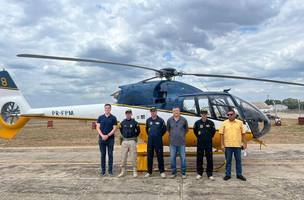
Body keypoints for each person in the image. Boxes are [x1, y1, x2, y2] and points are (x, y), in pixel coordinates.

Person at [219, 108, 247, 181]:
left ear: (234, 115)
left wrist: (245, 144)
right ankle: (228, 175)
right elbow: (221, 134)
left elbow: (243, 134)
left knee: (238, 161)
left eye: (231, 114)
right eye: (228, 115)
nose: (229, 116)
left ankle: (239, 174)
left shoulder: (240, 123)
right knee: (228, 161)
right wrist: (222, 145)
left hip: (237, 146)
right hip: (228, 146)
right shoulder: (224, 123)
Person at [193, 109, 216, 180]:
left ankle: (209, 174)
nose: (204, 115)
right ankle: (199, 173)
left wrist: (208, 138)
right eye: (202, 114)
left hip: (208, 143)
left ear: (207, 114)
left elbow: (213, 133)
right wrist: (200, 137)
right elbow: (195, 132)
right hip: (200, 143)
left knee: (209, 158)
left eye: (205, 114)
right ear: (201, 114)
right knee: (199, 158)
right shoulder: (197, 123)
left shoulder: (211, 123)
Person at [144, 107, 167, 178]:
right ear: (150, 112)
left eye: (154, 111)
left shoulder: (161, 120)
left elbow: (164, 130)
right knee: (149, 156)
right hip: (150, 141)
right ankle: (149, 172)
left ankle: (162, 172)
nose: (153, 113)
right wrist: (151, 135)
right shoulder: (148, 120)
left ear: (156, 112)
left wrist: (158, 135)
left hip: (158, 141)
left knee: (160, 156)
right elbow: (147, 130)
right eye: (151, 111)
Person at [118, 109, 140, 178]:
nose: (128, 114)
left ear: (131, 114)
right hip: (124, 141)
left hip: (132, 141)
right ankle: (123, 171)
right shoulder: (122, 122)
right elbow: (121, 130)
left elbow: (138, 131)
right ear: (125, 114)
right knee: (123, 157)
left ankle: (134, 171)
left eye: (129, 113)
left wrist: (134, 136)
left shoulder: (135, 122)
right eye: (127, 113)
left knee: (133, 156)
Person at [96, 104, 117, 176]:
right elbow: (97, 127)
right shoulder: (100, 117)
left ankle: (110, 171)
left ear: (110, 109)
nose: (107, 109)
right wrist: (102, 135)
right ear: (104, 109)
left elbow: (114, 128)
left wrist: (107, 135)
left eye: (108, 108)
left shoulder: (113, 118)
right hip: (102, 139)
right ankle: (103, 171)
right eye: (106, 108)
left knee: (110, 155)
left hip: (110, 139)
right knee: (103, 155)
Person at [167, 107, 188, 179]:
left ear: (179, 112)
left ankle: (183, 173)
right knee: (172, 158)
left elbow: (186, 130)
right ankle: (173, 173)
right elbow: (168, 130)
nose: (176, 112)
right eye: (174, 111)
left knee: (183, 158)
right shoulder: (169, 120)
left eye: (177, 111)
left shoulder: (184, 120)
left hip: (181, 143)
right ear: (172, 112)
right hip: (172, 143)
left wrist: (181, 135)